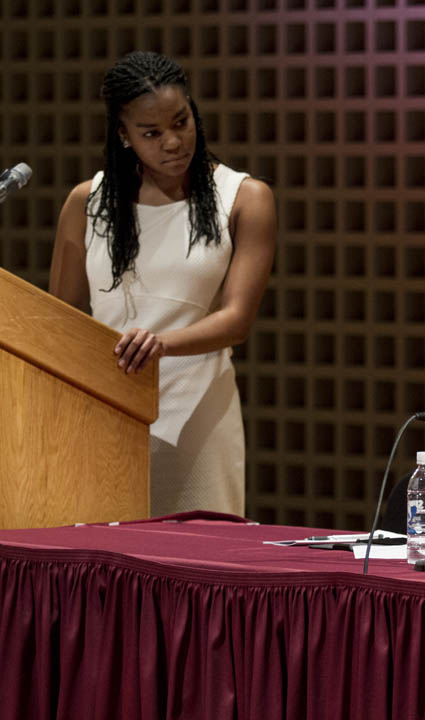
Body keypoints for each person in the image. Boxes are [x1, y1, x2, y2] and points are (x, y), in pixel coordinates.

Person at [48, 51, 276, 516]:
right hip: (104, 410)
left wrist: (160, 344)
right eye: (152, 133)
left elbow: (236, 321)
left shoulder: (244, 197)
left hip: (198, 414)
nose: (173, 142)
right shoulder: (86, 203)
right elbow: (59, 322)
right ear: (123, 135)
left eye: (181, 121)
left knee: (198, 566)